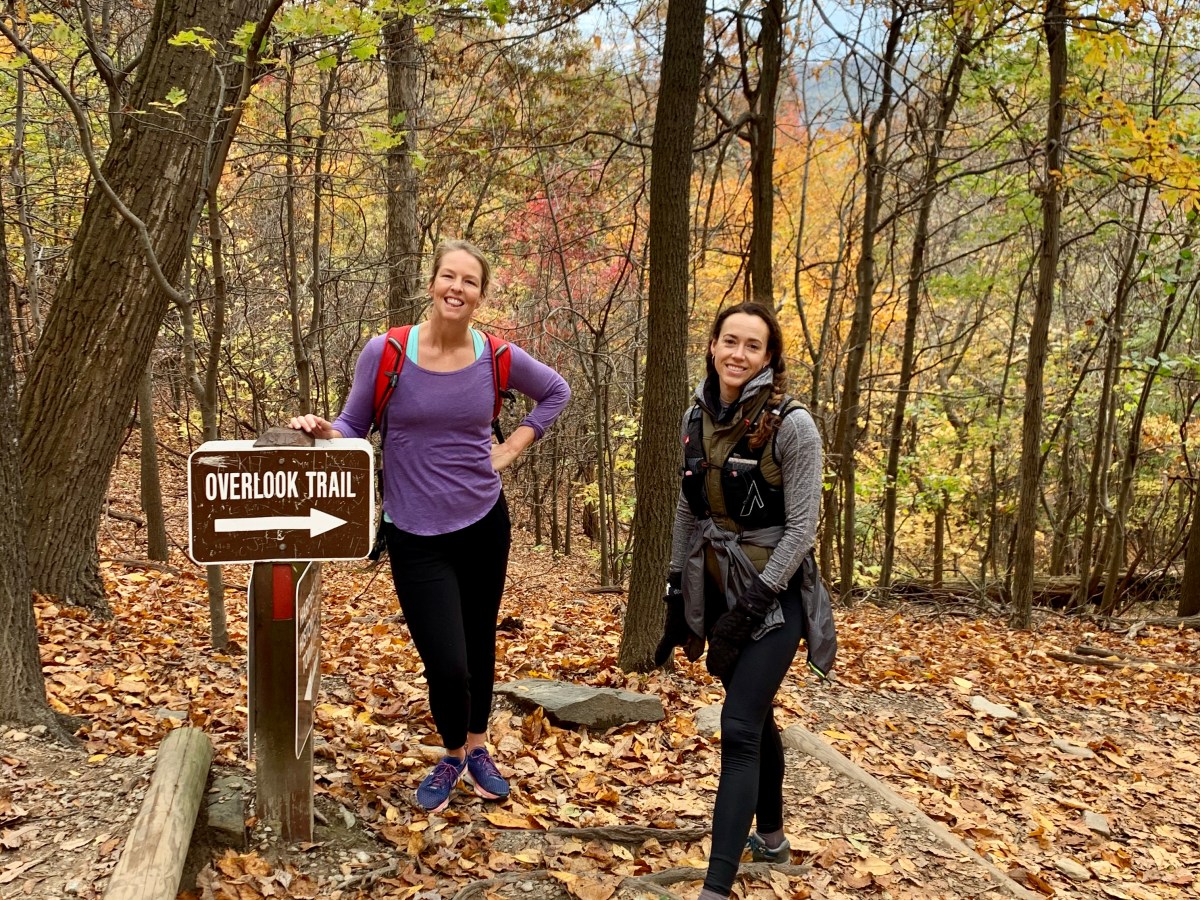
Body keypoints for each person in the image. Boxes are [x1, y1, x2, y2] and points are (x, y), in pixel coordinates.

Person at [290, 240, 570, 813]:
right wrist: (323, 428)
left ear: (480, 295)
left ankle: (477, 747)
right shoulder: (387, 350)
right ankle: (450, 755)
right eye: (449, 276)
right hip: (414, 530)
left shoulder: (496, 356)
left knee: (479, 639)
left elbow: (555, 391)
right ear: (433, 282)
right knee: (445, 659)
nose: (457, 288)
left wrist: (512, 447)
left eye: (469, 281)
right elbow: (355, 423)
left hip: (483, 522)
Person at [655, 301, 834, 900]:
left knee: (737, 727)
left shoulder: (793, 425)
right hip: (719, 589)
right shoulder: (694, 416)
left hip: (775, 598)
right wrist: (678, 588)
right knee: (754, 715)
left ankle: (716, 886)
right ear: (712, 346)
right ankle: (774, 839)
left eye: (751, 345)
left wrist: (755, 604)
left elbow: (802, 528)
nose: (737, 353)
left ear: (769, 358)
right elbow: (688, 506)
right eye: (729, 341)